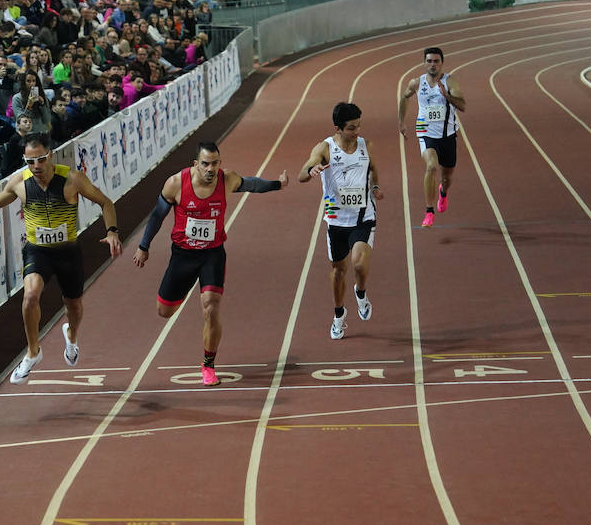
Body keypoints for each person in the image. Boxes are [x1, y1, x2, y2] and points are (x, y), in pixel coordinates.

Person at [0, 135, 121, 384]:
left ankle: (72, 335)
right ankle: (33, 352)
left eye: (41, 160)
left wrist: (111, 232)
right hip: (38, 251)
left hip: (68, 251)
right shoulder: (19, 183)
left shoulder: (72, 179)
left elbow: (105, 202)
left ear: (51, 156)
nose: (36, 166)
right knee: (31, 296)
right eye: (30, 161)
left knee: (74, 307)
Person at [133, 142, 287, 386]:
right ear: (195, 164)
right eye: (205, 164)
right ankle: (182, 292)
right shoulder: (176, 183)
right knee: (164, 312)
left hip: (212, 255)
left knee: (211, 306)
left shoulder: (227, 180)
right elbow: (157, 215)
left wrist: (278, 184)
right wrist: (144, 245)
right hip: (183, 256)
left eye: (215, 163)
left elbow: (253, 184)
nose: (211, 169)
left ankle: (208, 365)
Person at [298, 102, 381, 339]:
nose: (357, 132)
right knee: (338, 270)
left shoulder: (367, 146)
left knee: (358, 264)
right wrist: (312, 171)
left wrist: (374, 185)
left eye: (359, 126)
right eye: (351, 128)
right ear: (338, 128)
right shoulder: (325, 148)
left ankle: (361, 293)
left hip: (363, 217)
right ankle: (339, 314)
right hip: (336, 220)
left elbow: (373, 169)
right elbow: (301, 174)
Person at [399, 46, 465, 228]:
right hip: (426, 132)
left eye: (436, 61)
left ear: (442, 63)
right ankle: (429, 211)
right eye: (429, 61)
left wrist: (447, 96)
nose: (432, 64)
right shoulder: (416, 83)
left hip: (448, 134)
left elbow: (463, 106)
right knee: (431, 166)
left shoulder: (450, 82)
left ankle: (443, 193)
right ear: (424, 63)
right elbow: (405, 97)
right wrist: (401, 122)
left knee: (447, 178)